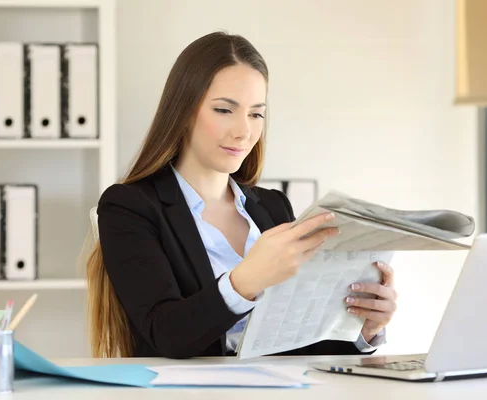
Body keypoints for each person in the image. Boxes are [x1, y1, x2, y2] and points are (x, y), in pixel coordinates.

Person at [86, 31, 398, 359]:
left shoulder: (273, 208)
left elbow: (300, 344)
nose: (244, 131)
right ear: (184, 111)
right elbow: (165, 334)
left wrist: (364, 330)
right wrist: (244, 282)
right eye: (224, 110)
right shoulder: (129, 207)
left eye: (256, 114)